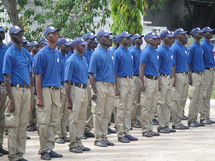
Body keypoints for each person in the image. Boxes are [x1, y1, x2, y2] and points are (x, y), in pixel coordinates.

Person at [3, 25, 32, 161]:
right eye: (18, 34)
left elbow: (31, 68)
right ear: (12, 37)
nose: (21, 36)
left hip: (26, 89)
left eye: (21, 34)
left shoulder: (25, 52)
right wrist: (11, 100)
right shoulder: (10, 53)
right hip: (14, 89)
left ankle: (20, 153)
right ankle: (13, 155)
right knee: (13, 123)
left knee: (23, 123)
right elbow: (6, 79)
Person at [34, 26, 63, 160]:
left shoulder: (57, 53)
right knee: (44, 121)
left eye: (57, 33)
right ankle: (43, 149)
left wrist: (60, 91)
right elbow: (38, 76)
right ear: (47, 37)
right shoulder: (41, 54)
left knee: (54, 120)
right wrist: (39, 97)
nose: (57, 35)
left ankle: (50, 148)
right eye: (53, 33)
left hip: (56, 90)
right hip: (45, 90)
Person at [88, 29, 115, 147]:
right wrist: (94, 90)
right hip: (100, 85)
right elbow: (91, 74)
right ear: (100, 39)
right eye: (106, 37)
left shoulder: (110, 52)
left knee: (107, 113)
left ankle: (104, 136)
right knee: (98, 113)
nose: (109, 39)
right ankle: (98, 138)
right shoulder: (96, 54)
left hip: (110, 85)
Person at [65, 37, 90, 153]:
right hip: (75, 89)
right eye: (82, 45)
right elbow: (67, 81)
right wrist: (68, 99)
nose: (85, 47)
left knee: (81, 117)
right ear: (75, 46)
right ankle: (73, 143)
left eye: (85, 45)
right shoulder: (71, 60)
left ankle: (79, 140)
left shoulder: (84, 59)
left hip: (84, 89)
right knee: (74, 118)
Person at [114, 31, 138, 143]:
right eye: (126, 38)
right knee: (121, 108)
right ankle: (120, 133)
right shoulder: (118, 53)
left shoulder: (129, 52)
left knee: (128, 108)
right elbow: (114, 71)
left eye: (129, 38)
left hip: (130, 79)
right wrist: (116, 87)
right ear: (121, 40)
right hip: (121, 80)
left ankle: (126, 131)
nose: (129, 40)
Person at [139, 32, 160, 137]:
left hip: (155, 80)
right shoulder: (146, 51)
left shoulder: (155, 51)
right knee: (146, 106)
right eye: (153, 38)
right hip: (148, 80)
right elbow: (141, 67)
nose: (156, 40)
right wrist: (142, 83)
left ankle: (150, 128)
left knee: (153, 106)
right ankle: (145, 129)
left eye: (156, 38)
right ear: (148, 40)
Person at [156, 30, 176, 133]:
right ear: (163, 38)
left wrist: (173, 78)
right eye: (169, 37)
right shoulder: (160, 50)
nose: (171, 38)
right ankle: (161, 126)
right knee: (161, 103)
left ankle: (166, 124)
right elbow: (157, 68)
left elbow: (172, 65)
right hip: (162, 77)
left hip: (168, 78)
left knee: (168, 102)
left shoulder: (170, 50)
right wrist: (159, 82)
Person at [171, 28, 189, 130]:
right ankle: (175, 122)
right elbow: (173, 65)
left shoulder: (184, 48)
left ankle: (179, 119)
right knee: (176, 99)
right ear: (177, 36)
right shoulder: (175, 48)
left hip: (185, 74)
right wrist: (173, 77)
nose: (185, 36)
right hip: (178, 75)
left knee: (183, 99)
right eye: (183, 34)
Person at [187, 27, 205, 127]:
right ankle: (190, 119)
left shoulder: (200, 47)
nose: (200, 34)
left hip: (201, 74)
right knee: (194, 98)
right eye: (198, 33)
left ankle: (195, 118)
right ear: (194, 35)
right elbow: (188, 63)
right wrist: (189, 76)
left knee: (199, 98)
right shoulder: (192, 47)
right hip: (195, 74)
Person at [55, 38, 71, 144]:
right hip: (59, 86)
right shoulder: (56, 56)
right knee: (58, 111)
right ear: (60, 46)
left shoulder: (68, 56)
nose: (68, 47)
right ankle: (57, 134)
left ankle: (64, 133)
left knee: (66, 112)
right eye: (65, 45)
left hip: (67, 85)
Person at [82, 32, 96, 139]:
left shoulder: (92, 52)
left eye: (93, 39)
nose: (92, 41)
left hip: (93, 80)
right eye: (90, 39)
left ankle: (87, 128)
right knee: (85, 106)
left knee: (92, 106)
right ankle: (81, 130)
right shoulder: (83, 51)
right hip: (86, 80)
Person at [200, 27, 215, 124]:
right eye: (208, 32)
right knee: (204, 94)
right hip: (206, 70)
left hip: (212, 69)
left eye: (211, 32)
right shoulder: (202, 45)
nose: (210, 34)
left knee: (209, 94)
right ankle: (203, 116)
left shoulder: (210, 45)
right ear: (204, 34)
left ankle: (207, 115)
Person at [130, 33, 144, 129]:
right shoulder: (132, 51)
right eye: (137, 38)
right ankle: (133, 120)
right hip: (135, 77)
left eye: (140, 38)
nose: (139, 40)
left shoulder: (141, 51)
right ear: (133, 41)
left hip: (141, 77)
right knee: (134, 100)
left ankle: (138, 119)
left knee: (140, 100)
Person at [27, 41, 40, 132]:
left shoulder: (37, 57)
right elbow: (31, 73)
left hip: (35, 84)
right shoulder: (29, 57)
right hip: (31, 84)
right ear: (31, 48)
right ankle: (30, 123)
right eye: (35, 47)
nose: (37, 48)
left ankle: (34, 123)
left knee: (35, 105)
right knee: (30, 105)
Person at [0, 26, 9, 157]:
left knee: (2, 118)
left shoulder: (7, 49)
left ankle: (0, 145)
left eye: (2, 32)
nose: (2, 34)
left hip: (5, 85)